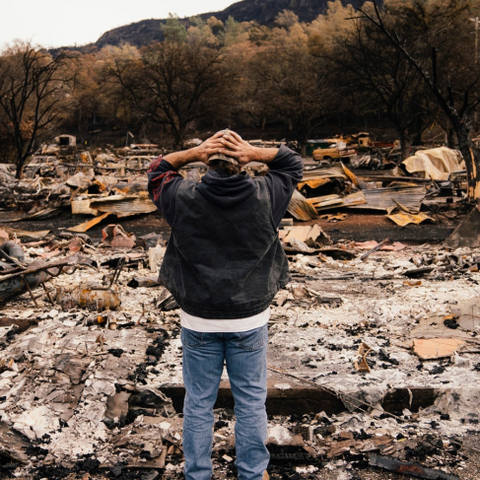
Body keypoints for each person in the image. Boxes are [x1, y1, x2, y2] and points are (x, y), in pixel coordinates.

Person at [147, 130, 303, 480]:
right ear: (243, 163)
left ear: (207, 164)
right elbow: (291, 162)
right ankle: (251, 474)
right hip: (249, 320)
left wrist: (193, 152)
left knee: (199, 403)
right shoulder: (269, 195)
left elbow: (156, 171)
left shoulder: (180, 196)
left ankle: (198, 474)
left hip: (198, 321)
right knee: (250, 402)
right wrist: (254, 151)